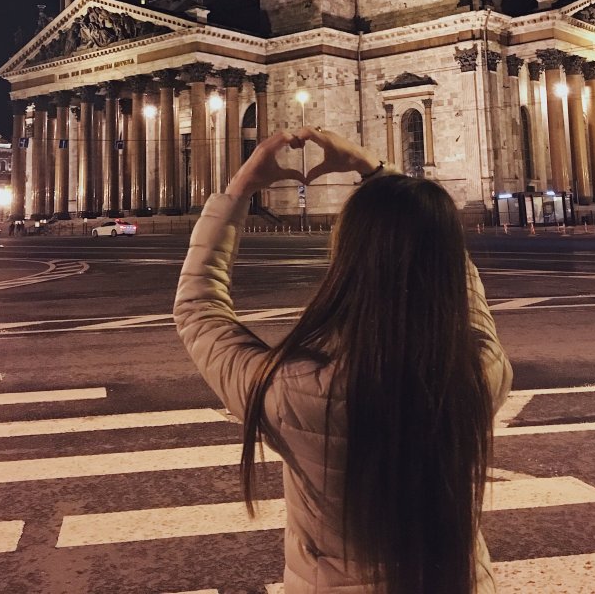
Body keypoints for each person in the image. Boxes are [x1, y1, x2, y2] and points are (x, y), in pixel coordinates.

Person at [174, 128, 512, 594]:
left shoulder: (293, 389)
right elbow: (457, 284)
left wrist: (241, 189)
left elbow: (198, 308)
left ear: (348, 258)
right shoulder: (477, 371)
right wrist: (378, 173)